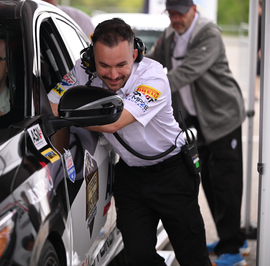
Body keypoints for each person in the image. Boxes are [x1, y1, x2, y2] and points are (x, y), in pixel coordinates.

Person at [49, 18, 211, 266]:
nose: (113, 75)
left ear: (135, 54)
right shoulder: (83, 69)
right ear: (92, 58)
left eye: (121, 65)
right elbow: (53, 102)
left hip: (172, 174)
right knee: (138, 258)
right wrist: (64, 112)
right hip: (130, 177)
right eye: (104, 65)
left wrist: (71, 116)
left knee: (193, 258)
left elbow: (115, 122)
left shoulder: (153, 76)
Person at [146, 1, 248, 265]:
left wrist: (144, 94)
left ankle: (234, 249)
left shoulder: (208, 33)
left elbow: (188, 72)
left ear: (193, 8)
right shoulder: (170, 35)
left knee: (227, 182)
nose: (175, 18)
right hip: (195, 120)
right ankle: (231, 237)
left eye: (180, 13)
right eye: (171, 13)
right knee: (210, 180)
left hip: (222, 117)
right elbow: (153, 61)